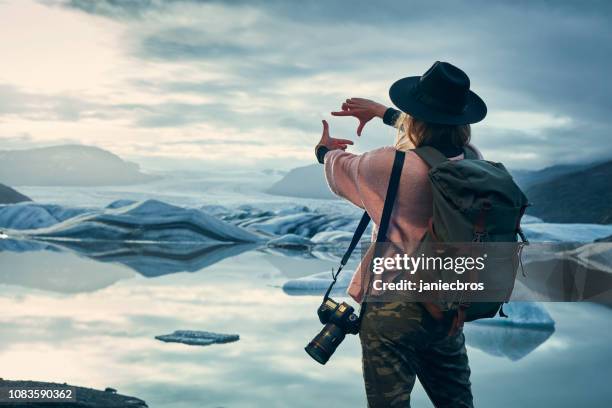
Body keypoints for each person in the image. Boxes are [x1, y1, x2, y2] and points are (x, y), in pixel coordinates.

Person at [314, 61, 487, 408]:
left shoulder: (387, 166)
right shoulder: (473, 163)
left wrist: (325, 149)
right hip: (445, 308)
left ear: (416, 116)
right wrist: (383, 113)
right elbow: (430, 145)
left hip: (390, 310)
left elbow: (337, 170)